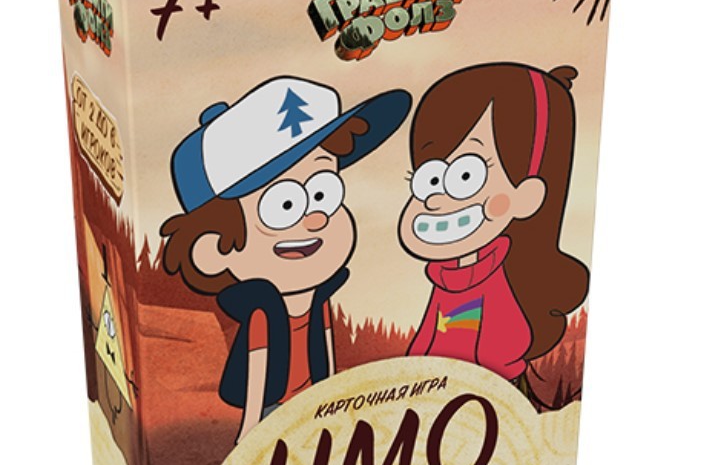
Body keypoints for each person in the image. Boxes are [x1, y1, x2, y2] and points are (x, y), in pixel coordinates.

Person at [159, 76, 410, 444]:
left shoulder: (319, 298)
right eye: (284, 206)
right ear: (213, 249)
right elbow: (258, 369)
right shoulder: (262, 312)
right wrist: (249, 432)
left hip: (313, 403)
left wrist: (331, 399)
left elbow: (325, 346)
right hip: (273, 411)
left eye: (324, 193)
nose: (315, 219)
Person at [400, 63, 589, 398]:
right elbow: (429, 332)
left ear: (527, 196)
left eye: (465, 177)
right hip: (441, 386)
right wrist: (414, 373)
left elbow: (509, 335)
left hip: (494, 389)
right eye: (429, 180)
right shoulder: (445, 276)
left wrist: (483, 379)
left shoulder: (496, 274)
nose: (436, 200)